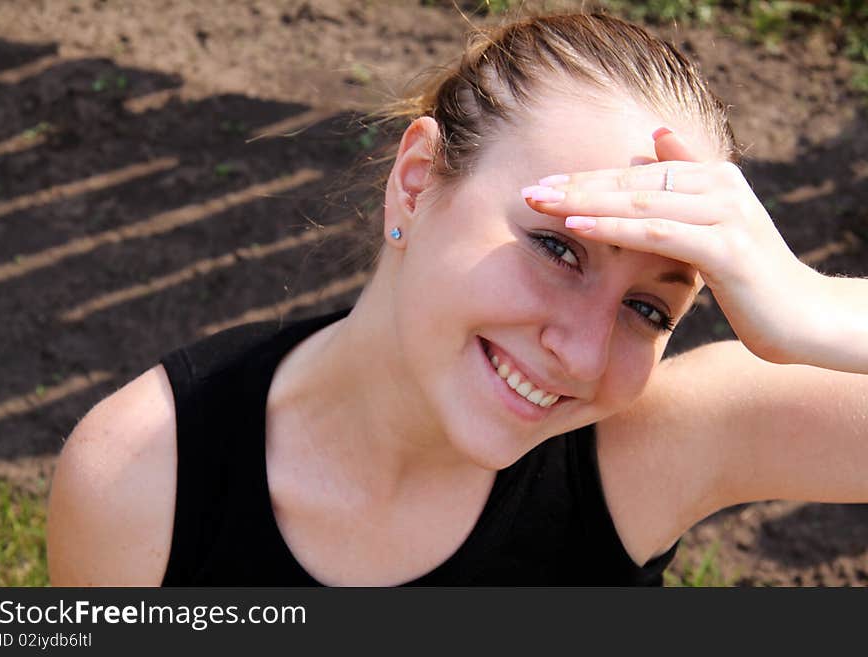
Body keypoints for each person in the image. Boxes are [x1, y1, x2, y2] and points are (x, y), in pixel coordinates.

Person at [46, 12, 868, 586]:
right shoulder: (144, 479)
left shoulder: (647, 448)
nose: (582, 353)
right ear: (414, 184)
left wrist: (814, 312)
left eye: (649, 310)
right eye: (558, 248)